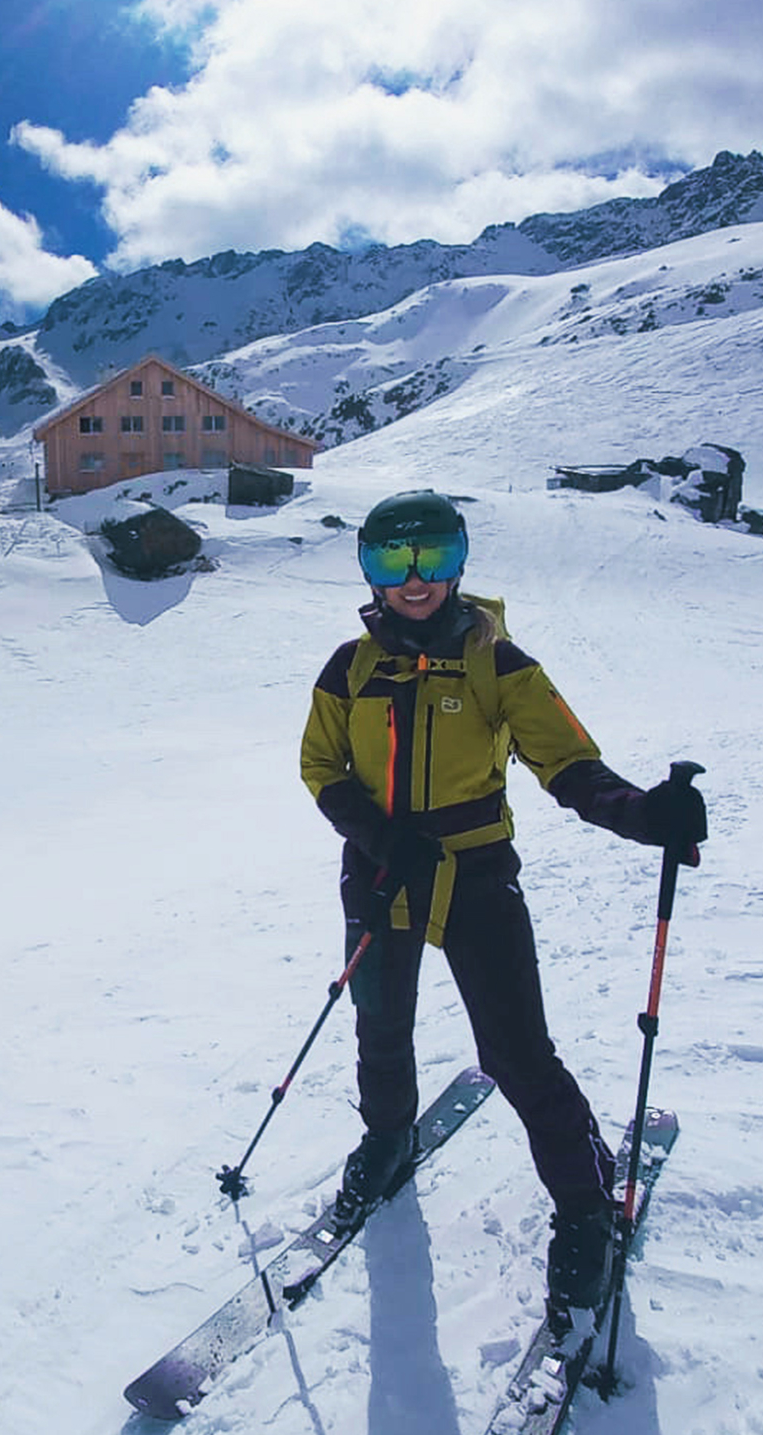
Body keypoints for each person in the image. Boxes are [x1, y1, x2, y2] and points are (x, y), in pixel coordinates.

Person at [298, 489, 707, 1317]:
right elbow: (322, 769)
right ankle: (385, 1139)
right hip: (380, 874)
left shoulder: (498, 663)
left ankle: (586, 1208)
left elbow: (569, 767)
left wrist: (640, 814)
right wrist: (382, 843)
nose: (414, 581)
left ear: (459, 564)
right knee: (380, 1028)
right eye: (392, 562)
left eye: (433, 560)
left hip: (474, 874)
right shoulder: (348, 667)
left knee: (517, 1054)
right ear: (369, 574)